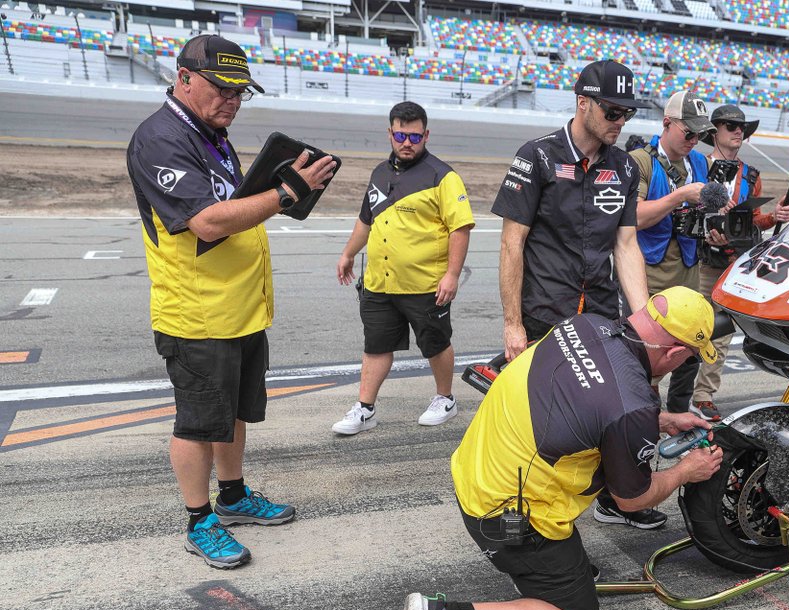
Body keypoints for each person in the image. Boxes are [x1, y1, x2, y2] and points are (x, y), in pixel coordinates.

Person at [404, 287, 725, 610]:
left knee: (572, 574)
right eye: (692, 356)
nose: (688, 363)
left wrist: (657, 420)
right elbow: (632, 499)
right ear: (674, 351)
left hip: (476, 467)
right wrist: (685, 471)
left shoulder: (586, 324)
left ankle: (541, 579)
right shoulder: (629, 406)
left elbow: (583, 402)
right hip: (506, 515)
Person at [126, 35, 336, 569]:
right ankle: (200, 520)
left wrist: (281, 189)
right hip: (197, 314)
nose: (233, 101)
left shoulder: (212, 132)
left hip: (239, 307)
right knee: (198, 423)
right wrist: (286, 193)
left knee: (233, 415)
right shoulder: (160, 138)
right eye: (222, 89)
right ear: (184, 78)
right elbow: (207, 220)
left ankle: (234, 496)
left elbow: (236, 202)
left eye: (241, 91)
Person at [492, 59, 657, 529]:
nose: (620, 122)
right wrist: (512, 323)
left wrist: (645, 319)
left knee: (617, 408)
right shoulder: (537, 156)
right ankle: (533, 521)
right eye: (611, 112)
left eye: (627, 113)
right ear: (583, 102)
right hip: (544, 310)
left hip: (600, 311)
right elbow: (511, 243)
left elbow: (626, 246)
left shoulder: (624, 166)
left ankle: (616, 497)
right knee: (542, 425)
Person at [331, 102, 474, 434]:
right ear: (390, 133)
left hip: (425, 284)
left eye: (414, 136)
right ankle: (365, 409)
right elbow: (366, 220)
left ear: (426, 135)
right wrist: (348, 253)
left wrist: (452, 275)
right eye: (400, 135)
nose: (407, 142)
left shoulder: (444, 176)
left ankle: (445, 399)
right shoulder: (379, 173)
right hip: (379, 284)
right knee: (376, 345)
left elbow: (460, 228)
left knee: (435, 343)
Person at [690, 104, 789, 421]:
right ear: (715, 131)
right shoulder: (697, 165)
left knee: (721, 333)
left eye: (742, 128)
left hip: (735, 263)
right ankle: (656, 387)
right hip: (698, 261)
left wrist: (773, 217)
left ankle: (704, 395)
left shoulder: (751, 175)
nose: (738, 132)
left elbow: (752, 223)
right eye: (731, 126)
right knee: (688, 327)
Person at [628, 90, 713, 418]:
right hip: (651, 279)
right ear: (666, 123)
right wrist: (679, 196)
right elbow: (633, 217)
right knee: (646, 360)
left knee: (689, 353)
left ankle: (681, 416)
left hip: (689, 276)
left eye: (700, 134)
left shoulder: (700, 162)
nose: (694, 140)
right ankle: (645, 421)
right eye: (688, 132)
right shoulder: (641, 161)